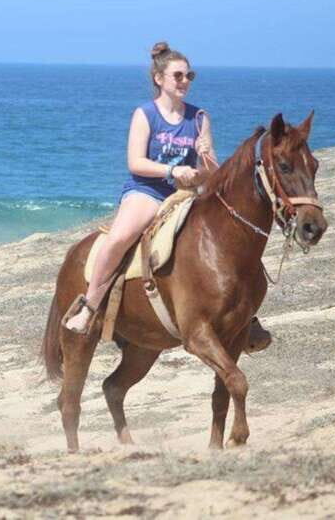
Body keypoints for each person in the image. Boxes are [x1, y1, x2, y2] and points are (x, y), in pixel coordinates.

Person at [64, 43, 272, 351]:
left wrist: (205, 159)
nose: (185, 81)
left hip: (187, 194)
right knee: (119, 238)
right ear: (159, 79)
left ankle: (246, 315)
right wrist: (173, 171)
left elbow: (210, 172)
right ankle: (90, 304)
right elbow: (135, 163)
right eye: (178, 75)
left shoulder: (200, 118)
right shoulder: (145, 114)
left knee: (229, 238)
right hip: (147, 191)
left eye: (189, 75)